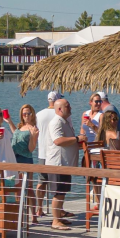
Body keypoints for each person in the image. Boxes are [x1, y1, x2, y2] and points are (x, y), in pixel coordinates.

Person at [45, 98, 86, 230]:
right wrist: (76, 139)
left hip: (65, 163)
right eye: (67, 106)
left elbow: (67, 141)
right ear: (60, 109)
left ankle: (59, 216)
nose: (71, 108)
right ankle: (56, 220)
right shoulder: (56, 122)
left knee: (62, 191)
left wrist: (77, 143)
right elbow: (58, 140)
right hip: (58, 163)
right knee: (58, 192)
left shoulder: (64, 121)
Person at [12, 104, 40, 222]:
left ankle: (33, 214)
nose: (26, 116)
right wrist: (9, 121)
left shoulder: (33, 128)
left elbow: (31, 149)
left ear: (32, 114)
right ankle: (19, 214)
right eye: (24, 114)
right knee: (17, 187)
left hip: (25, 158)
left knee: (28, 187)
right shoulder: (20, 126)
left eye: (29, 113)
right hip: (14, 159)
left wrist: (33, 137)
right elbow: (16, 134)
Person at [35, 90, 62, 213]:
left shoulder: (38, 114)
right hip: (56, 153)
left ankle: (39, 208)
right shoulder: (59, 114)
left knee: (42, 181)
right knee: (58, 183)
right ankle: (58, 209)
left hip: (42, 152)